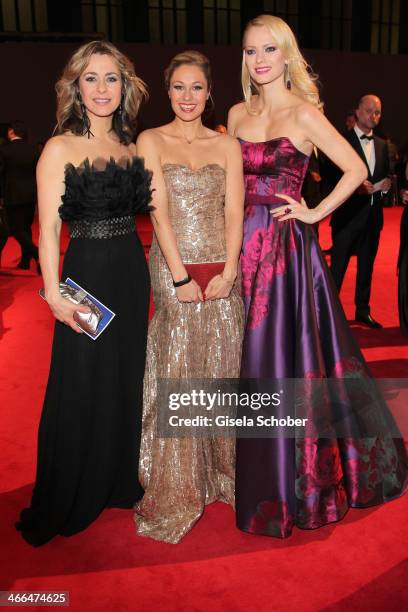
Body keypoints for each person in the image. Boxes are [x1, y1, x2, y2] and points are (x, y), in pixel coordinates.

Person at [228, 14, 407, 539]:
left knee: (291, 356)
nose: (259, 60)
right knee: (251, 359)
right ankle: (260, 470)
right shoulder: (237, 114)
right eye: (250, 51)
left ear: (287, 55)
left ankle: (301, 480)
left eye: (268, 50)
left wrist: (313, 212)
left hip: (286, 250)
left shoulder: (305, 114)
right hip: (244, 248)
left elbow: (356, 169)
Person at [16, 41, 152, 546]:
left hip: (129, 275)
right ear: (75, 87)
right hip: (86, 276)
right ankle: (73, 486)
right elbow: (47, 230)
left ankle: (116, 478)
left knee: (125, 377)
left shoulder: (130, 144)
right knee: (82, 379)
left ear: (126, 86)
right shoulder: (59, 148)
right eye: (90, 78)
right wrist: (53, 294)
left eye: (111, 78)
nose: (101, 89)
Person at [134, 51, 244, 543]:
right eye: (178, 87)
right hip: (174, 264)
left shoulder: (227, 146)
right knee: (179, 366)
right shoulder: (150, 139)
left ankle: (222, 474)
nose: (187, 96)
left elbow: (235, 212)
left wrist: (231, 269)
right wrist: (179, 277)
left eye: (196, 87)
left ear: (209, 92)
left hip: (222, 267)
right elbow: (156, 212)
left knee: (222, 363)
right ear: (167, 90)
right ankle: (179, 482)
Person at [330, 95, 391, 329]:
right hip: (347, 216)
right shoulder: (340, 141)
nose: (373, 116)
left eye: (377, 112)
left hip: (373, 217)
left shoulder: (383, 145)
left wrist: (385, 188)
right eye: (369, 111)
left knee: (367, 266)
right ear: (357, 112)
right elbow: (332, 176)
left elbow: (385, 176)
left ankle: (362, 311)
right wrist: (354, 187)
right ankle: (331, 313)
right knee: (338, 266)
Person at [0, 120, 39, 270]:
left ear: (11, 132)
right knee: (26, 227)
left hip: (12, 194)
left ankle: (36, 253)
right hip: (31, 194)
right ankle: (25, 261)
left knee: (15, 229)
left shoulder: (5, 150)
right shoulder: (34, 149)